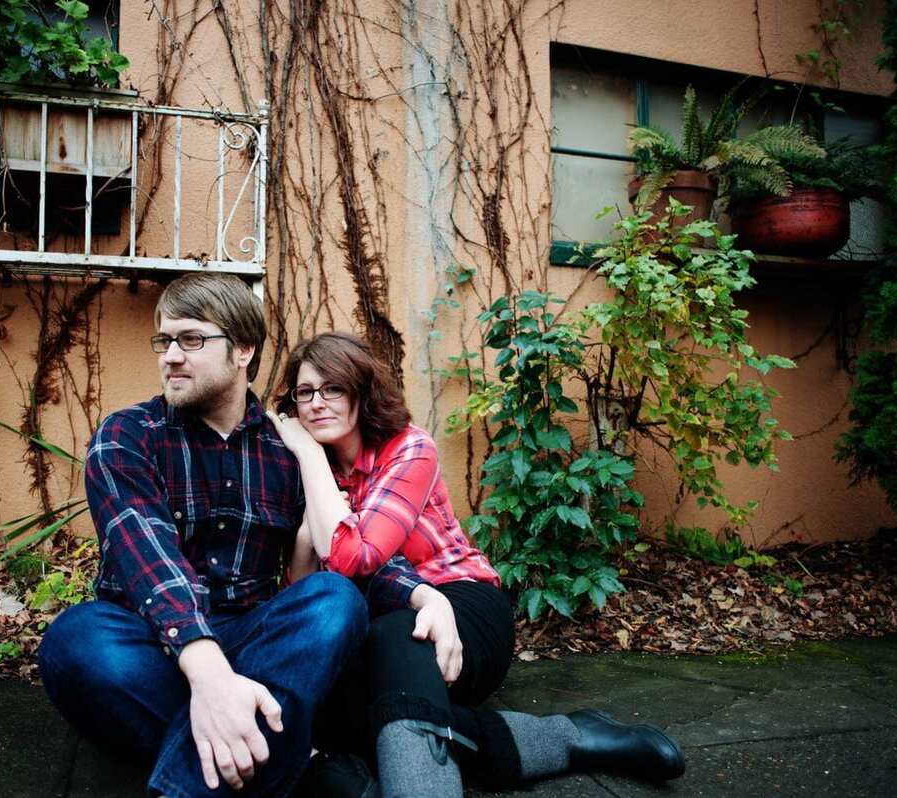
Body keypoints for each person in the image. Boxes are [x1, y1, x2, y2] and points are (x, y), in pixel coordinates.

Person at [36, 275, 427, 798]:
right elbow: (149, 558)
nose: (171, 355)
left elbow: (344, 541)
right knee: (78, 640)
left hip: (252, 642)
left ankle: (195, 780)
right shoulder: (127, 436)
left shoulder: (287, 446)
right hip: (153, 642)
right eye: (164, 340)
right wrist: (211, 676)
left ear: (243, 349)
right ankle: (292, 758)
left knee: (332, 600)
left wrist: (424, 596)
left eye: (192, 339)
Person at [267, 332, 686, 797]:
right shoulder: (306, 474)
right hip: (383, 630)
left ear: (361, 392)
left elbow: (356, 558)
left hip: (460, 607)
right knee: (329, 712)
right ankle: (573, 737)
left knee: (397, 639)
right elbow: (306, 598)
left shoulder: (409, 448)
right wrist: (308, 530)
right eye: (305, 392)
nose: (316, 404)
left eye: (332, 389)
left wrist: (306, 453)